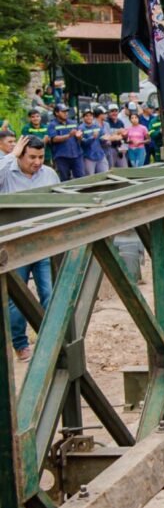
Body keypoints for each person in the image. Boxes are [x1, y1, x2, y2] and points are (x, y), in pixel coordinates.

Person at [1, 136, 59, 361]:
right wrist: (11, 156)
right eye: (31, 157)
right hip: (15, 245)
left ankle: (51, 341)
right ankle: (20, 344)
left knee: (50, 292)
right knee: (17, 297)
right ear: (21, 155)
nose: (37, 162)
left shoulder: (49, 174)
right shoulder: (7, 173)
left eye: (41, 157)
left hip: (44, 242)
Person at [46, 104, 84, 181]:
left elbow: (80, 138)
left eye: (66, 111)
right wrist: (69, 136)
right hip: (61, 156)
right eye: (63, 111)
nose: (66, 113)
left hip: (76, 154)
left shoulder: (73, 123)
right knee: (64, 179)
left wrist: (79, 136)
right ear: (56, 113)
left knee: (81, 177)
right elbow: (54, 139)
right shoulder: (52, 125)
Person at [78, 109, 109, 175]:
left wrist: (105, 139)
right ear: (83, 117)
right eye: (87, 116)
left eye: (90, 115)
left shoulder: (97, 126)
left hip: (100, 155)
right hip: (89, 157)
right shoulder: (81, 128)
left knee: (105, 174)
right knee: (90, 177)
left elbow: (102, 139)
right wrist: (92, 137)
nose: (89, 117)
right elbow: (83, 143)